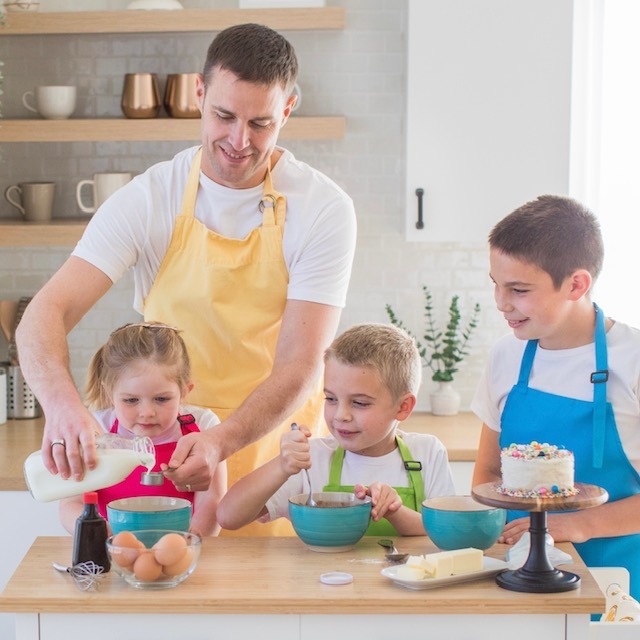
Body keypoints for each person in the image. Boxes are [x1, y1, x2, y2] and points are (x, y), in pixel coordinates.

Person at [16, 24, 356, 535]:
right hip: (164, 466)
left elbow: (301, 366)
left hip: (276, 470)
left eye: (261, 122)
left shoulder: (324, 209)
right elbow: (43, 315)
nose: (239, 141)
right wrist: (64, 409)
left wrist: (218, 443)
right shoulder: (150, 198)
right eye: (223, 116)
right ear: (199, 93)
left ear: (287, 110)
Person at [471, 195, 640, 599]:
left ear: (576, 284)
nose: (501, 303)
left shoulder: (633, 360)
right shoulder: (505, 355)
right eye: (496, 284)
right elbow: (488, 470)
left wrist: (583, 525)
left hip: (616, 586)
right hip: (514, 579)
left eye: (519, 289)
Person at [217, 323, 456, 535]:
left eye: (360, 403)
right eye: (331, 399)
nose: (341, 415)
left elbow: (448, 531)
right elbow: (228, 517)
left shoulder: (427, 453)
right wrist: (281, 466)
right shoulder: (314, 458)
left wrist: (395, 511)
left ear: (403, 407)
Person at [58, 322, 226, 537]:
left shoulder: (204, 427)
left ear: (185, 391)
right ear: (109, 392)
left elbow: (212, 502)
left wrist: (188, 545)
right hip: (112, 549)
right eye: (131, 400)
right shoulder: (95, 428)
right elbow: (71, 504)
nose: (147, 412)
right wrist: (103, 536)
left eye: (161, 399)